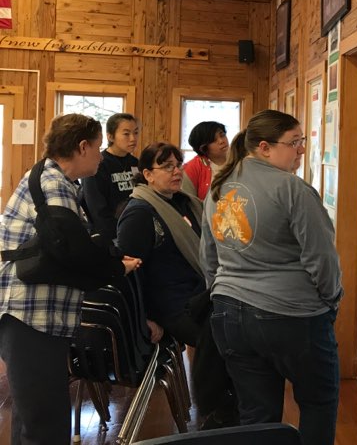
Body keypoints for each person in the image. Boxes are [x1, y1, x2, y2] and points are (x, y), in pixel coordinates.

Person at [202, 110, 343, 445]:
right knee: (318, 403)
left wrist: (221, 293)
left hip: (228, 313)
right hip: (292, 315)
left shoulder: (219, 188)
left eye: (301, 141)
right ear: (264, 147)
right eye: (294, 143)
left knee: (255, 416)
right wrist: (331, 301)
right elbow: (322, 258)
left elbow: (208, 257)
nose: (301, 150)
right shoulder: (293, 189)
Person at [0, 113, 141, 445]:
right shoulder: (53, 185)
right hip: (29, 317)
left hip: (32, 316)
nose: (100, 155)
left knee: (33, 417)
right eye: (97, 148)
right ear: (82, 147)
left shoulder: (53, 179)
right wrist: (116, 268)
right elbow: (74, 251)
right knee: (46, 424)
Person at [116, 141, 238, 429]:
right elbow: (128, 273)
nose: (176, 172)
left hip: (197, 294)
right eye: (167, 166)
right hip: (169, 305)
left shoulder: (185, 202)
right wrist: (144, 317)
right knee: (222, 333)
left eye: (178, 165)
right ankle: (218, 410)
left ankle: (236, 406)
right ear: (147, 174)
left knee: (237, 321)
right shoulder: (139, 212)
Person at [82, 112, 139, 240]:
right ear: (110, 137)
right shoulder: (98, 164)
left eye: (135, 132)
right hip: (110, 235)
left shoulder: (137, 163)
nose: (133, 138)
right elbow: (97, 210)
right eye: (126, 134)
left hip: (134, 229)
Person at [182, 121, 229, 200]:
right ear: (203, 148)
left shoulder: (240, 160)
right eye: (214, 140)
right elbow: (188, 203)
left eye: (222, 135)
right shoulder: (192, 168)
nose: (221, 141)